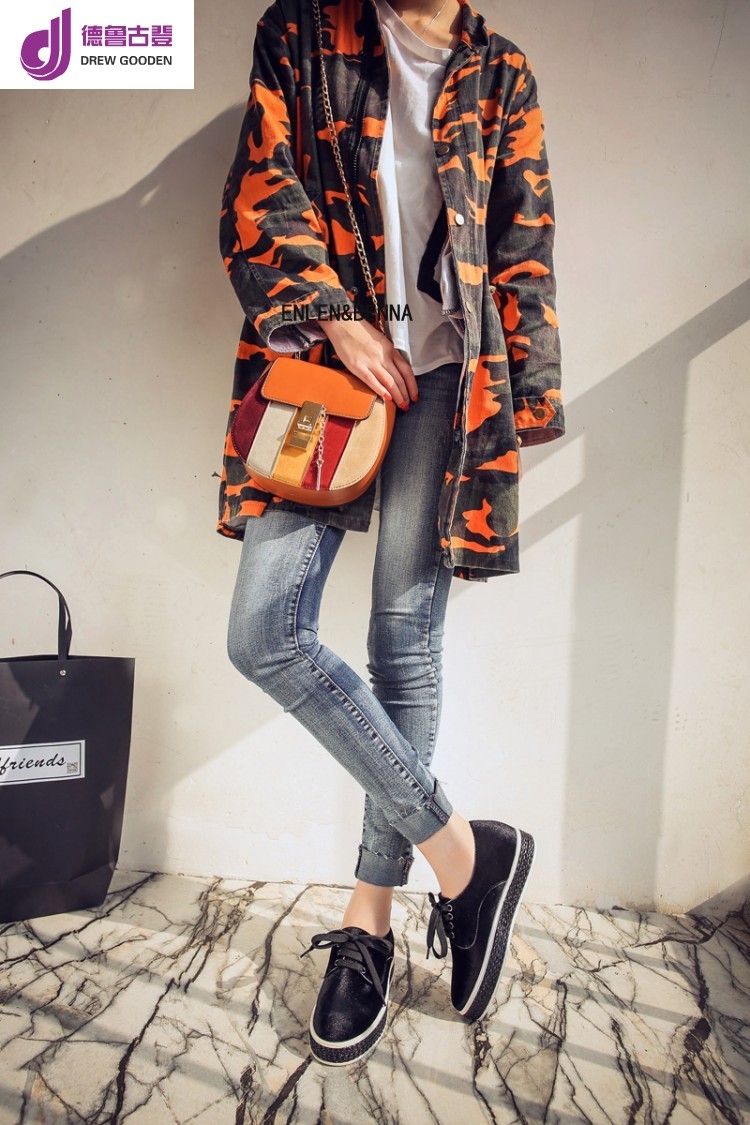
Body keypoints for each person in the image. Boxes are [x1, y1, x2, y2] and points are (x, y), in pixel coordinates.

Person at [219, 0, 565, 1065]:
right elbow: (263, 183)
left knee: (403, 642)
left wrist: (526, 401)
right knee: (265, 633)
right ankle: (467, 855)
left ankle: (368, 924)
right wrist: (337, 318)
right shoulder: (304, 30)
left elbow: (524, 240)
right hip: (326, 369)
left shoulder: (501, 72)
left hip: (453, 381)